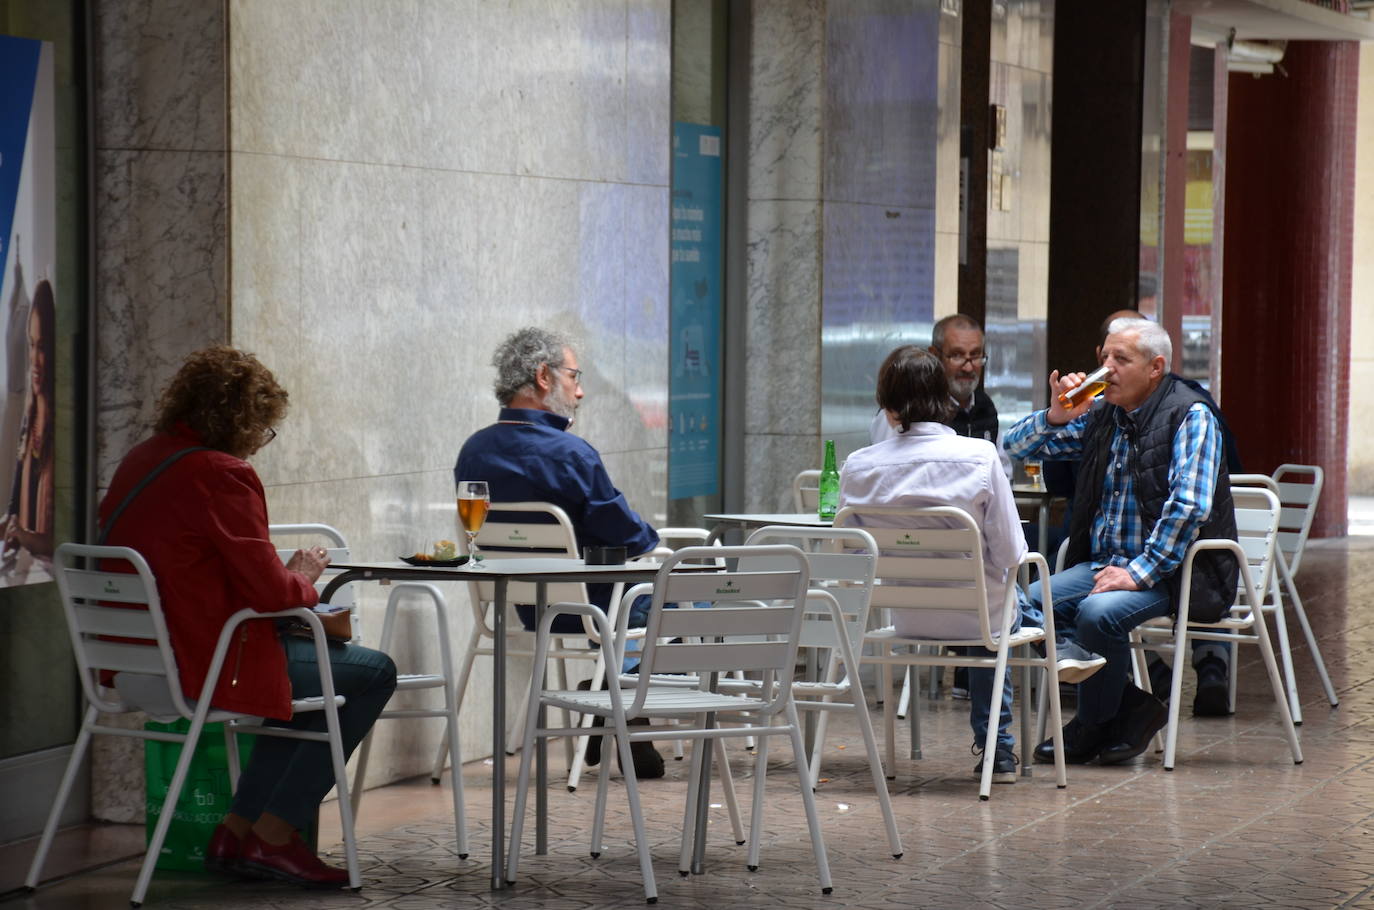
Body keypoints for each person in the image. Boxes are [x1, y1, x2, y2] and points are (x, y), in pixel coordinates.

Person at [100, 346, 397, 888]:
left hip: (135, 664)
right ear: (242, 419)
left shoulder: (141, 459)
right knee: (371, 670)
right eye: (263, 426)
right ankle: (274, 833)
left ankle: (237, 830)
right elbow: (270, 591)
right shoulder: (220, 472)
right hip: (201, 664)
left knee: (326, 667)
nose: (261, 440)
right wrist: (303, 574)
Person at [840, 346, 1104, 784]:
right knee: (997, 605)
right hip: (978, 618)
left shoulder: (858, 466)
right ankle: (1000, 748)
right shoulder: (978, 457)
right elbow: (1011, 555)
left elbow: (853, 555)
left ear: (886, 407)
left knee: (991, 599)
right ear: (944, 400)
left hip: (904, 618)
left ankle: (1052, 653)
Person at [1006, 318, 1238, 767]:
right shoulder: (1101, 414)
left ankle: (1092, 722)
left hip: (1173, 569)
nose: (1106, 368)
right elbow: (1017, 447)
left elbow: (1189, 507)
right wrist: (1056, 414)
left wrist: (1137, 573)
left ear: (1156, 367)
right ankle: (1131, 706)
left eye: (1120, 359)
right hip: (1102, 562)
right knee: (1027, 604)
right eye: (1104, 357)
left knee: (1097, 613)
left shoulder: (1191, 415)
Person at [455, 326, 664, 778]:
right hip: (592, 608)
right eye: (574, 376)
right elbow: (628, 537)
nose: (581, 390)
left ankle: (615, 704)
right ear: (544, 376)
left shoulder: (473, 451)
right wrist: (651, 536)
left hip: (519, 606)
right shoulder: (571, 453)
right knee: (684, 595)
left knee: (648, 600)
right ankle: (613, 698)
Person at [869, 314, 1012, 479]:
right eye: (957, 355)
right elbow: (883, 470)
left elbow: (1003, 473)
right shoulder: (910, 407)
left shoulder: (985, 407)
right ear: (934, 355)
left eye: (975, 355)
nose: (968, 367)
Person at [1, 279, 55, 571]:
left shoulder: (62, 430)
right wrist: (13, 528)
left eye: (43, 347)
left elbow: (57, 542)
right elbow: (13, 513)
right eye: (32, 346)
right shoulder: (28, 419)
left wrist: (19, 533)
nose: (35, 360)